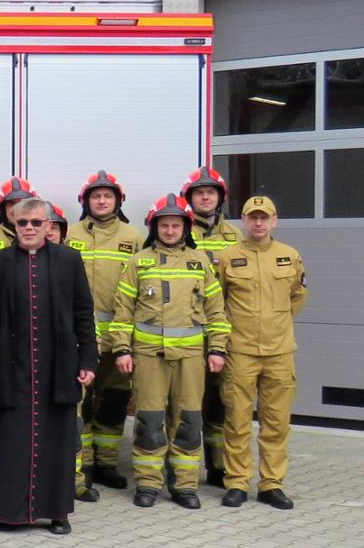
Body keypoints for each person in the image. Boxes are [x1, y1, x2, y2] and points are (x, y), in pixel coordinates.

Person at [0, 197, 96, 535]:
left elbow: (84, 313)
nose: (28, 228)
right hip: (15, 364)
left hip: (58, 365)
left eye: (36, 223)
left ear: (49, 226)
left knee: (58, 438)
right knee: (11, 437)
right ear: (14, 224)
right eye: (22, 223)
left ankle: (57, 512)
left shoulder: (69, 259)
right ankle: (7, 510)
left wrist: (88, 359)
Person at [109, 194, 229, 510]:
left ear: (185, 227)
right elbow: (123, 310)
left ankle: (184, 486)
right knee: (149, 420)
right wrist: (122, 348)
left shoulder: (200, 261)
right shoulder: (139, 262)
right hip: (149, 355)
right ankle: (148, 484)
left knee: (189, 421)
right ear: (155, 227)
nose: (171, 230)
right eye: (165, 224)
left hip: (191, 357)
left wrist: (217, 348)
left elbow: (216, 310)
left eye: (176, 225)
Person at [214, 196, 306, 510]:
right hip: (240, 352)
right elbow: (217, 304)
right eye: (252, 217)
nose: (258, 223)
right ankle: (237, 482)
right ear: (243, 220)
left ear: (274, 221)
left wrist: (275, 325)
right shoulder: (228, 257)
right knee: (237, 421)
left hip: (280, 352)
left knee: (276, 422)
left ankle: (271, 484)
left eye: (264, 218)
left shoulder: (289, 256)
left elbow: (298, 296)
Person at [71, 172, 143, 499]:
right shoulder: (69, 235)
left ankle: (108, 464)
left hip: (118, 340)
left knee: (114, 401)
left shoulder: (135, 237)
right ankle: (82, 464)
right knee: (81, 404)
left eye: (108, 196)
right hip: (79, 339)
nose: (102, 201)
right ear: (86, 201)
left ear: (118, 201)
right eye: (96, 196)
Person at [183, 167, 242, 485]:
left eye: (211, 192)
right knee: (183, 403)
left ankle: (218, 467)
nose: (205, 196)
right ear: (189, 198)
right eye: (199, 192)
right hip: (186, 330)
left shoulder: (236, 236)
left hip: (222, 331)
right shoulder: (176, 229)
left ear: (220, 197)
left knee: (220, 403)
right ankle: (178, 467)